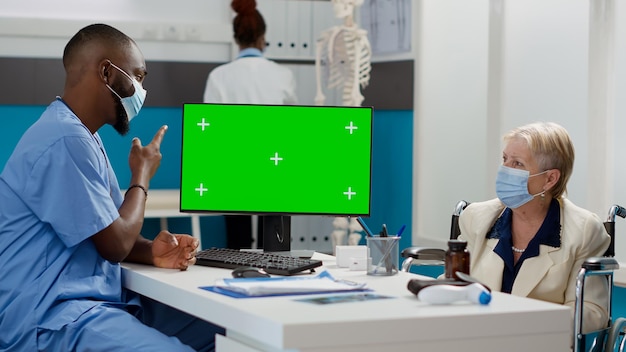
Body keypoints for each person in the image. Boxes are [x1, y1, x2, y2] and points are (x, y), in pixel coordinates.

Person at [0, 24, 224, 351]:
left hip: (95, 301)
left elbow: (106, 229)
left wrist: (152, 251)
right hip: (52, 317)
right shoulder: (64, 140)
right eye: (138, 77)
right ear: (107, 72)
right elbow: (115, 245)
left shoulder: (84, 137)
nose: (141, 91)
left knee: (224, 333)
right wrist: (142, 175)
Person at [457, 122, 611, 333]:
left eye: (518, 164)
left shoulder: (584, 231)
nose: (505, 170)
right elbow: (455, 284)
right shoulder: (476, 217)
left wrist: (526, 326)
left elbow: (591, 312)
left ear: (550, 179)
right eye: (505, 159)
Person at [203, 0, 297, 249]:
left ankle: (237, 280)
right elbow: (294, 124)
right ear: (263, 38)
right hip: (275, 166)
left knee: (236, 243)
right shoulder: (283, 75)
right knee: (276, 245)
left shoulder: (219, 76)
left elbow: (210, 130)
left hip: (235, 166)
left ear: (236, 39)